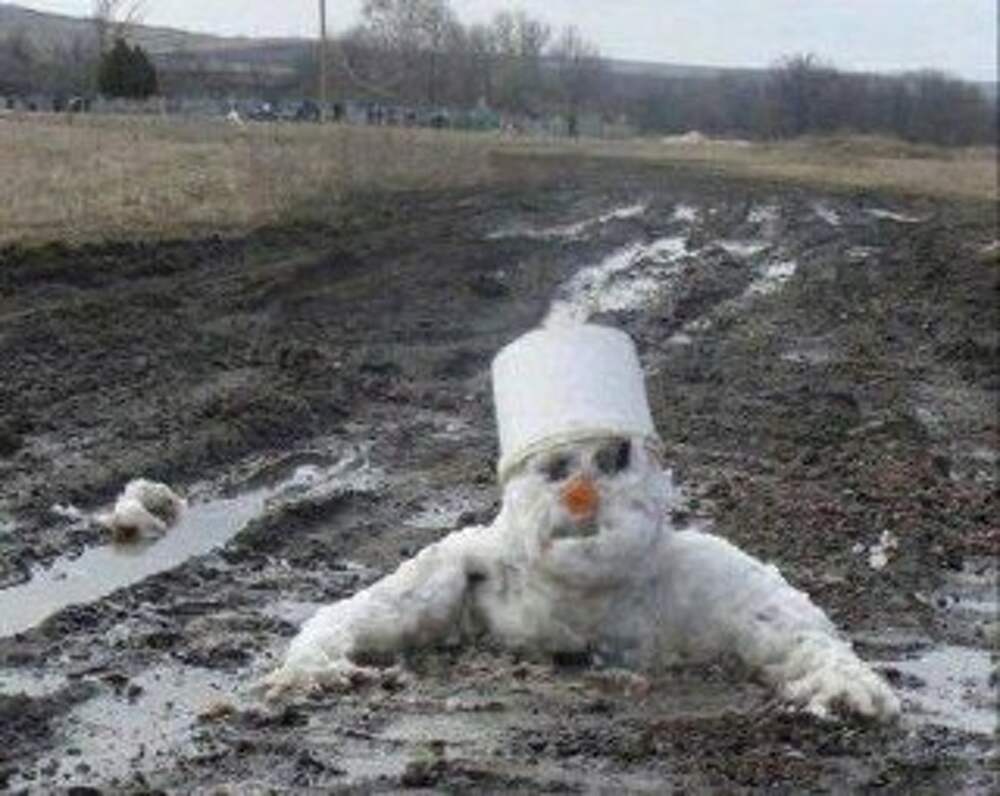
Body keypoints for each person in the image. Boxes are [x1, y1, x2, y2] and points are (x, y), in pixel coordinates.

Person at [262, 322, 899, 720]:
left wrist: (835, 680)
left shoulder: (694, 572)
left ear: (649, 470)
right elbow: (362, 617)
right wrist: (313, 659)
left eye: (611, 463)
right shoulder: (479, 569)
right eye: (557, 469)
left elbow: (791, 632)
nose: (583, 494)